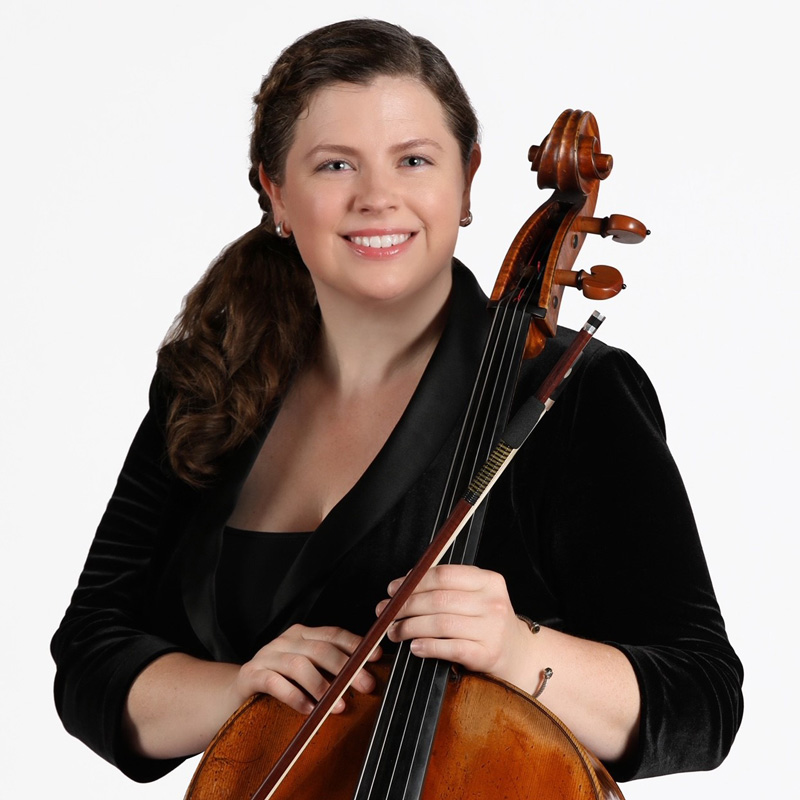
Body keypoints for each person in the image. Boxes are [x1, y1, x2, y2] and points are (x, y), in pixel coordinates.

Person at [51, 18, 743, 788]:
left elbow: (703, 701)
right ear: (276, 191)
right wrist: (239, 693)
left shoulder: (572, 396)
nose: (378, 198)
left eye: (414, 160)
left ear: (466, 180)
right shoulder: (214, 381)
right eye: (335, 164)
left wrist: (520, 652)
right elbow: (92, 658)